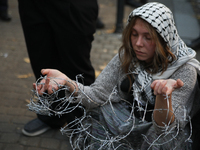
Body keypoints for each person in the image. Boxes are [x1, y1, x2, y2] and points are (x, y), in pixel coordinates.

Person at [28, 2, 200, 149]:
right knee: (98, 111)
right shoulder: (128, 55)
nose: (138, 43)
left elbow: (166, 130)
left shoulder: (185, 70)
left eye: (148, 37)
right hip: (132, 123)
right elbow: (97, 95)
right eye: (134, 34)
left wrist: (163, 97)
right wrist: (66, 81)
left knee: (164, 141)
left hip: (160, 134)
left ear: (164, 39)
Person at [18, 0, 98, 136]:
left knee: (77, 65)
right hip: (32, 4)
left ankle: (82, 122)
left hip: (73, 4)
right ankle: (52, 115)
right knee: (42, 61)